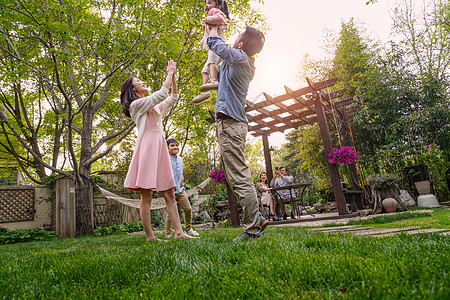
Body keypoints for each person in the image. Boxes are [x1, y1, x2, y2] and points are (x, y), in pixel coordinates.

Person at [120, 60, 195, 241]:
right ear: (132, 89)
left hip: (160, 147)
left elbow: (172, 98)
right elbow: (162, 93)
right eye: (139, 81)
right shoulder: (136, 106)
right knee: (147, 194)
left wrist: (174, 76)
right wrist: (168, 73)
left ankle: (179, 233)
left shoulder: (151, 106)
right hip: (148, 147)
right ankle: (150, 236)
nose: (143, 82)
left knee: (169, 191)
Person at [206, 24, 267, 241]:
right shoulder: (240, 60)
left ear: (240, 45)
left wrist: (211, 29)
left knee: (240, 178)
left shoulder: (240, 58)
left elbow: (216, 45)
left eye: (237, 38)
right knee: (236, 177)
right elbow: (217, 48)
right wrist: (217, 29)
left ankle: (252, 230)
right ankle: (257, 218)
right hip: (231, 124)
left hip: (231, 124)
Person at [191, 0, 229, 105]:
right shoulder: (212, 13)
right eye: (205, 4)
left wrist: (207, 19)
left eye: (209, 3)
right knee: (204, 71)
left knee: (211, 62)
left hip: (217, 46)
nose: (206, 5)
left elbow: (220, 18)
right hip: (213, 48)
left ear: (218, 6)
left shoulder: (215, 11)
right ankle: (204, 93)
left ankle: (214, 80)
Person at [164, 138, 200, 238]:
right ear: (167, 148)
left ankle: (188, 228)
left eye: (176, 145)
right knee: (171, 213)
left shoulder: (180, 159)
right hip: (170, 190)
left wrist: (182, 182)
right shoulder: (165, 160)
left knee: (188, 209)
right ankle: (168, 233)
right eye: (172, 145)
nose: (175, 147)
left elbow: (181, 172)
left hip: (180, 190)